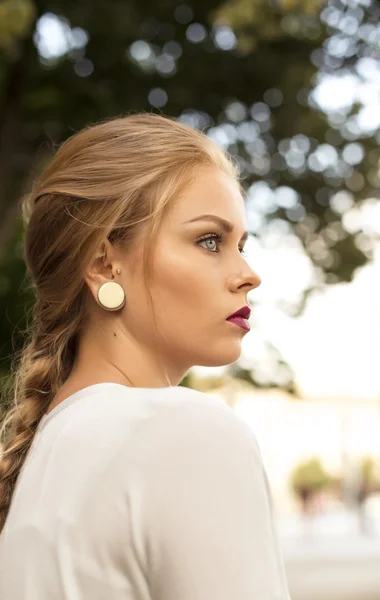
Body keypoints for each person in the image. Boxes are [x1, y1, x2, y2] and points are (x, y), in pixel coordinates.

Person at [0, 112, 292, 599]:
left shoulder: (42, 456)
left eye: (242, 244)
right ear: (104, 264)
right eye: (209, 241)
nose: (248, 273)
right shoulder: (183, 432)